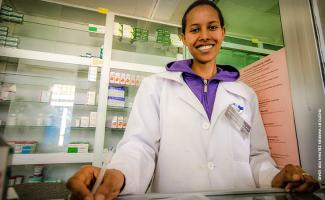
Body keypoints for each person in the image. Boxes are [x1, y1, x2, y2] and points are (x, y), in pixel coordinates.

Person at [67, 1, 320, 199]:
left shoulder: (245, 93)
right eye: (194, 29)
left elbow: (256, 157)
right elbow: (139, 147)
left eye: (212, 27)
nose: (204, 36)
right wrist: (117, 174)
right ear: (184, 37)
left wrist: (277, 178)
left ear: (223, 32)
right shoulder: (156, 86)